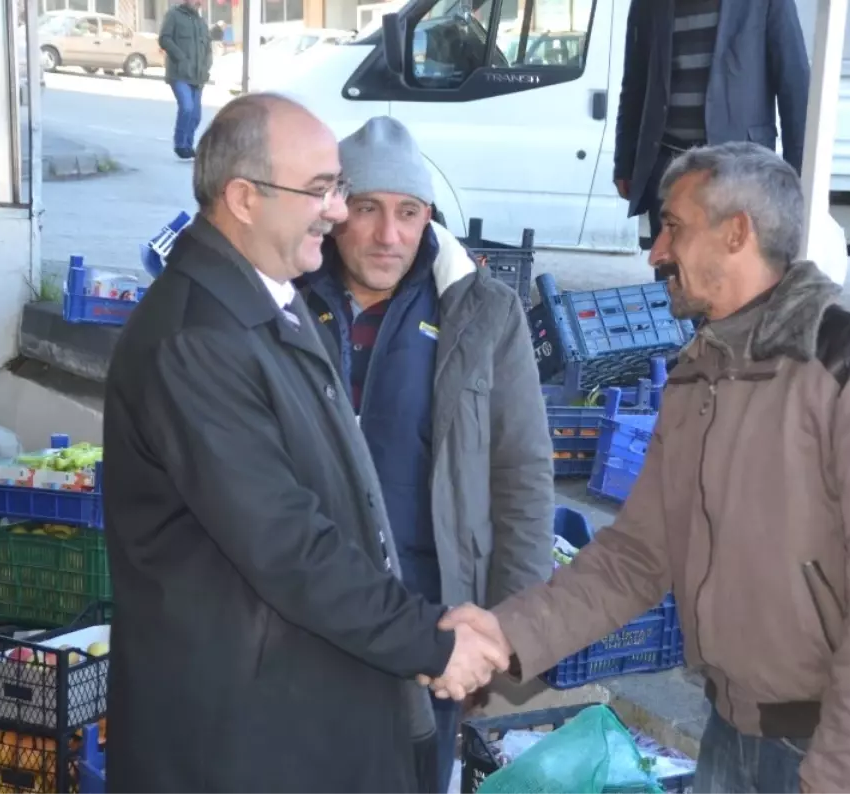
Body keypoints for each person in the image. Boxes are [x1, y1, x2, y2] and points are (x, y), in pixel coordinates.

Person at [431, 142, 850, 794]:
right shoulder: (697, 373)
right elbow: (635, 556)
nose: (657, 251)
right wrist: (504, 635)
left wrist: (847, 771)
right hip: (729, 734)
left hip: (831, 748)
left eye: (674, 227)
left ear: (737, 233)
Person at [101, 93, 509, 794]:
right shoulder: (198, 340)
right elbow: (286, 543)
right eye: (321, 190)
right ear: (243, 198)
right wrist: (431, 641)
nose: (338, 210)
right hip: (236, 737)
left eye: (337, 187)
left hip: (293, 707)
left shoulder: (267, 300)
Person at [298, 116, 555, 794]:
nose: (389, 235)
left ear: (428, 218)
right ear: (334, 211)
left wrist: (509, 627)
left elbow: (522, 474)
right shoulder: (286, 300)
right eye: (367, 210)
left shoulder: (484, 313)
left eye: (408, 213)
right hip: (301, 606)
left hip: (431, 618)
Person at [614, 0, 810, 270]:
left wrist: (798, 176)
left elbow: (795, 84)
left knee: (734, 276)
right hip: (668, 168)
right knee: (675, 276)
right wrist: (624, 161)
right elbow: (634, 80)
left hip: (740, 172)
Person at [159, 0, 212, 160]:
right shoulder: (174, 15)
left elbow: (208, 48)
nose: (198, 2)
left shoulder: (202, 22)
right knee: (187, 107)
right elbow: (164, 39)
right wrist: (181, 58)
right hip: (179, 74)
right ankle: (180, 145)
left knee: (196, 115)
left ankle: (188, 146)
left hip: (198, 76)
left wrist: (207, 66)